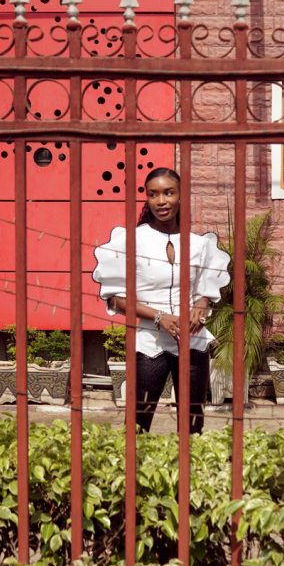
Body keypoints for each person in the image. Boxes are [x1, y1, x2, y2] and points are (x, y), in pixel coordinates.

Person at [93, 167, 230, 433]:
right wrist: (159, 317)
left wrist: (200, 305)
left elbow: (206, 288)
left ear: (181, 196)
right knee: (137, 424)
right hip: (150, 343)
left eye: (169, 193)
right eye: (153, 194)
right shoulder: (131, 241)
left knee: (192, 426)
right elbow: (116, 299)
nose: (161, 201)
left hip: (193, 342)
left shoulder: (199, 244)